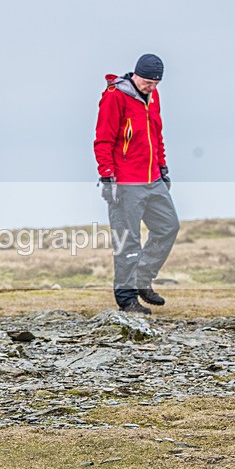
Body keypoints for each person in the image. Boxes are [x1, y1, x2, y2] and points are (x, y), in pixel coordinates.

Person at [93, 53, 180, 314]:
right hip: (125, 182)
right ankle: (127, 297)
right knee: (127, 240)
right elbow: (103, 139)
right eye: (147, 82)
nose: (151, 87)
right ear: (136, 74)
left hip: (153, 178)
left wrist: (162, 167)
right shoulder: (114, 96)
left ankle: (142, 278)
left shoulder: (153, 98)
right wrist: (108, 176)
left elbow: (157, 135)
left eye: (156, 84)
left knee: (168, 227)